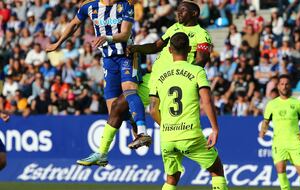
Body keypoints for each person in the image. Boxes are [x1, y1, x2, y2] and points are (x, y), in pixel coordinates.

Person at [83, 0, 213, 164]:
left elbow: (201, 60)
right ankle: (102, 153)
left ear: (194, 13)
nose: (178, 13)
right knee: (117, 105)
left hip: (172, 81)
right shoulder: (174, 28)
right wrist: (137, 48)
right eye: (178, 11)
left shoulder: (202, 34)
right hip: (154, 78)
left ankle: (182, 144)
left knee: (156, 113)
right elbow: (156, 46)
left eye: (183, 11)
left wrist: (183, 77)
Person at [46, 0, 151, 166]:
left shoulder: (125, 6)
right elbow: (74, 24)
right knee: (114, 112)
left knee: (130, 90)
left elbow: (124, 34)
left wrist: (106, 38)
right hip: (108, 60)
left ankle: (142, 131)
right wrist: (58, 43)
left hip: (127, 56)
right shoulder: (90, 7)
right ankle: (107, 150)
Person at [149, 32, 228, 190]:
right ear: (190, 49)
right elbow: (206, 101)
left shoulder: (158, 75)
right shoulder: (197, 71)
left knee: (171, 179)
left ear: (169, 50)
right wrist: (214, 128)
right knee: (216, 169)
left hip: (167, 137)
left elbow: (153, 110)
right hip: (190, 134)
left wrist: (167, 126)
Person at [259, 74, 300, 190]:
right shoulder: (272, 104)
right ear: (278, 86)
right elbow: (266, 121)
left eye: (286, 84)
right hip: (279, 143)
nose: (284, 86)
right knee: (280, 170)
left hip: (295, 142)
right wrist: (263, 130)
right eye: (281, 84)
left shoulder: (297, 103)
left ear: (290, 86)